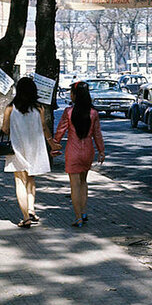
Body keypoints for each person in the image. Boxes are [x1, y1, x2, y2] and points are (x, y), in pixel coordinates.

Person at [2, 77, 60, 228]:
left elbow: (4, 129)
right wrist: (52, 143)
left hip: (17, 148)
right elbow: (44, 127)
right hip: (35, 148)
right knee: (31, 178)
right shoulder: (39, 108)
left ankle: (26, 217)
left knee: (20, 180)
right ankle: (31, 209)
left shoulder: (10, 108)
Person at [53, 81, 105, 228]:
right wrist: (101, 151)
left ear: (75, 95)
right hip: (88, 150)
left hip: (73, 151)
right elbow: (97, 134)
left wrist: (55, 146)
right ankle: (83, 211)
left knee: (74, 185)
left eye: (71, 92)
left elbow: (60, 131)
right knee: (83, 182)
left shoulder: (68, 112)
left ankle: (78, 218)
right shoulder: (93, 113)